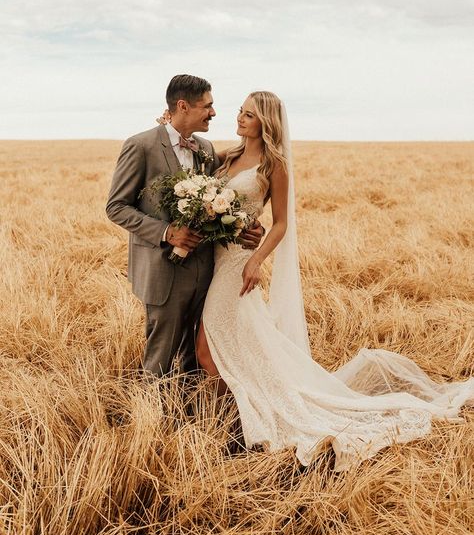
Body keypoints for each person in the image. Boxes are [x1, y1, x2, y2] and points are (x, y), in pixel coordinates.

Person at [196, 90, 474, 471]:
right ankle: (242, 418)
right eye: (240, 112)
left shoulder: (273, 165)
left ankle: (232, 427)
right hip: (213, 257)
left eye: (249, 115)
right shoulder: (225, 157)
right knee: (241, 344)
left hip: (238, 265)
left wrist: (257, 259)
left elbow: (279, 224)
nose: (240, 119)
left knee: (209, 350)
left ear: (267, 123)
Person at [106, 74, 263, 376]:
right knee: (160, 358)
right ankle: (152, 418)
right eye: (208, 106)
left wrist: (250, 227)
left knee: (196, 357)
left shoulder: (204, 147)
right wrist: (167, 233)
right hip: (162, 270)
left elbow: (223, 200)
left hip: (206, 269)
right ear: (183, 106)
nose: (214, 113)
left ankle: (191, 416)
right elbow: (116, 207)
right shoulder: (141, 146)